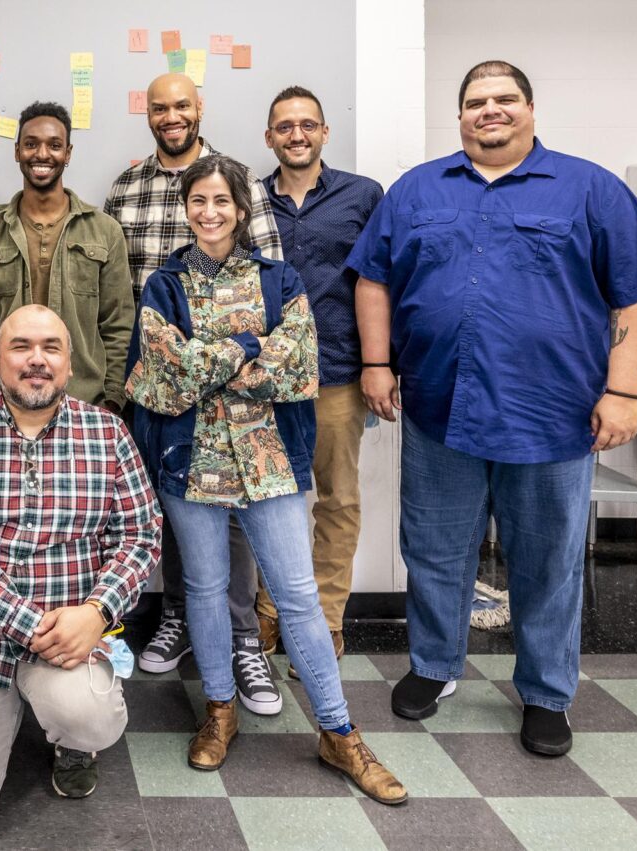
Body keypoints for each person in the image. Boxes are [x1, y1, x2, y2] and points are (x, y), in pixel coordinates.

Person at [350, 60, 637, 756]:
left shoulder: (588, 188)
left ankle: (544, 691)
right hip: (442, 410)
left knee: (548, 559)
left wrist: (622, 392)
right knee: (435, 551)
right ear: (461, 114)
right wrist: (377, 363)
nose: (489, 111)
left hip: (553, 417)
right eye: (476, 101)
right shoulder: (418, 190)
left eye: (504, 99)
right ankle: (435, 666)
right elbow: (375, 279)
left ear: (531, 108)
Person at [128, 155, 405, 804]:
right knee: (204, 587)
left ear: (240, 208)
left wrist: (213, 360)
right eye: (198, 201)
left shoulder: (281, 280)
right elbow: (162, 376)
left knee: (297, 595)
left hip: (269, 461)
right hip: (188, 462)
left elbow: (297, 368)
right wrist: (250, 346)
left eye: (221, 201)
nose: (209, 212)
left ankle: (339, 732)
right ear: (185, 208)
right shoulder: (163, 286)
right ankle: (220, 710)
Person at [0, 305, 161, 822]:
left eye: (51, 348)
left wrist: (97, 613)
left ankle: (73, 740)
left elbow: (141, 536)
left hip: (71, 640)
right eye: (21, 347)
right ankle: (4, 709)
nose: (37, 360)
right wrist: (28, 626)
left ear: (70, 364)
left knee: (90, 717)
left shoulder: (108, 434)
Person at [104, 73, 281, 713]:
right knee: (170, 503)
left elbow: (267, 289)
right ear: (146, 113)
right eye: (159, 107)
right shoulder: (124, 190)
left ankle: (242, 639)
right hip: (152, 381)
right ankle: (180, 614)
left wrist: (227, 363)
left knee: (231, 515)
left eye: (182, 105)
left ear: (199, 109)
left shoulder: (232, 184)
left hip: (232, 390)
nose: (171, 116)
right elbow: (117, 295)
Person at [257, 86, 385, 676]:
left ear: (325, 132)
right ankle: (268, 612)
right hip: (270, 379)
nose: (297, 134)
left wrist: (383, 363)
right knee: (269, 500)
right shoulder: (252, 202)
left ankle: (327, 617)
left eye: (308, 124)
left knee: (336, 498)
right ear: (270, 138)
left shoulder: (363, 196)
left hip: (338, 370)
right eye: (285, 126)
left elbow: (383, 280)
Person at [0, 101, 133, 412]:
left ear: (68, 153)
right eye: (31, 144)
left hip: (85, 401)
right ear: (16, 151)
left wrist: (113, 400)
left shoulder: (105, 232)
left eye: (54, 145)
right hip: (4, 403)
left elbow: (118, 326)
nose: (42, 154)